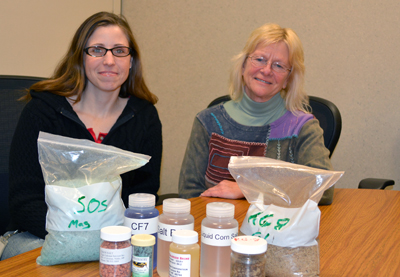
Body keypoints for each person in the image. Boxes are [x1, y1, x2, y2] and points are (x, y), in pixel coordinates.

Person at [1, 12, 162, 260]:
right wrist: (77, 239)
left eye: (119, 51)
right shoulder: (43, 112)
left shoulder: (144, 117)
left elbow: (142, 196)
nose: (109, 60)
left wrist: (107, 243)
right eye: (97, 50)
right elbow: (24, 199)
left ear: (131, 60)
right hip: (39, 236)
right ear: (80, 57)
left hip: (116, 241)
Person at [179, 23, 333, 204]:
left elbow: (325, 190)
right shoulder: (207, 122)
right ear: (243, 66)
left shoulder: (303, 128)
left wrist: (249, 189)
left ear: (288, 80)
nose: (267, 70)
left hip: (273, 230)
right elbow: (188, 193)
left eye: (279, 65)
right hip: (215, 227)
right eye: (259, 59)